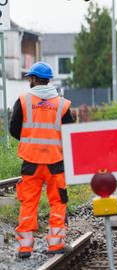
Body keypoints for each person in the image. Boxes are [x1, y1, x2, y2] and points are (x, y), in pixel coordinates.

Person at [9, 62, 73, 258]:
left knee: (28, 203)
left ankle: (25, 247)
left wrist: (30, 142)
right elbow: (70, 133)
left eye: (30, 78)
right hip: (56, 162)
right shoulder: (62, 104)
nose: (29, 81)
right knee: (58, 202)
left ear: (35, 79)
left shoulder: (23, 101)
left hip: (31, 162)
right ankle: (56, 244)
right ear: (49, 80)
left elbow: (13, 129)